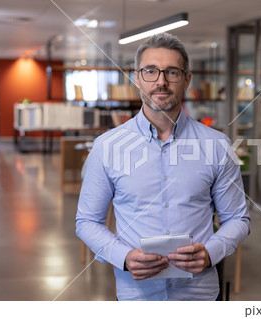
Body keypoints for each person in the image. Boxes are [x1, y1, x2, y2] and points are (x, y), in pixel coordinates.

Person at [76, 33, 250, 301]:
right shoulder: (106, 147)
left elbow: (237, 218)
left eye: (172, 72)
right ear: (137, 78)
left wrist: (211, 252)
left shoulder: (217, 145)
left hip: (199, 295)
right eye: (150, 71)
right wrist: (123, 257)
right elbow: (87, 221)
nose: (161, 81)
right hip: (137, 296)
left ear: (186, 80)